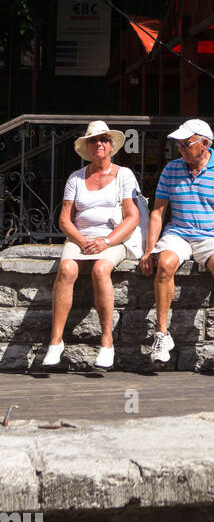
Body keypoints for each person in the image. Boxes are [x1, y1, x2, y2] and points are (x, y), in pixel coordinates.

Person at [140, 119, 214, 368]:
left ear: (205, 144)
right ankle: (162, 335)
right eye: (178, 144)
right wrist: (148, 250)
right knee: (164, 263)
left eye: (186, 144)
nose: (180, 148)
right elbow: (158, 212)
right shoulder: (171, 169)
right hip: (178, 232)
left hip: (212, 234)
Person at [42, 120, 143, 370]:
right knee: (66, 270)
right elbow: (65, 218)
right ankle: (55, 342)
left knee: (100, 270)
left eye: (104, 140)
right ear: (87, 147)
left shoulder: (124, 175)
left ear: (111, 146)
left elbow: (133, 217)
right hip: (81, 237)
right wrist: (81, 240)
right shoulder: (76, 178)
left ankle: (107, 341)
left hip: (113, 238)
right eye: (94, 140)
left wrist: (106, 241)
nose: (99, 143)